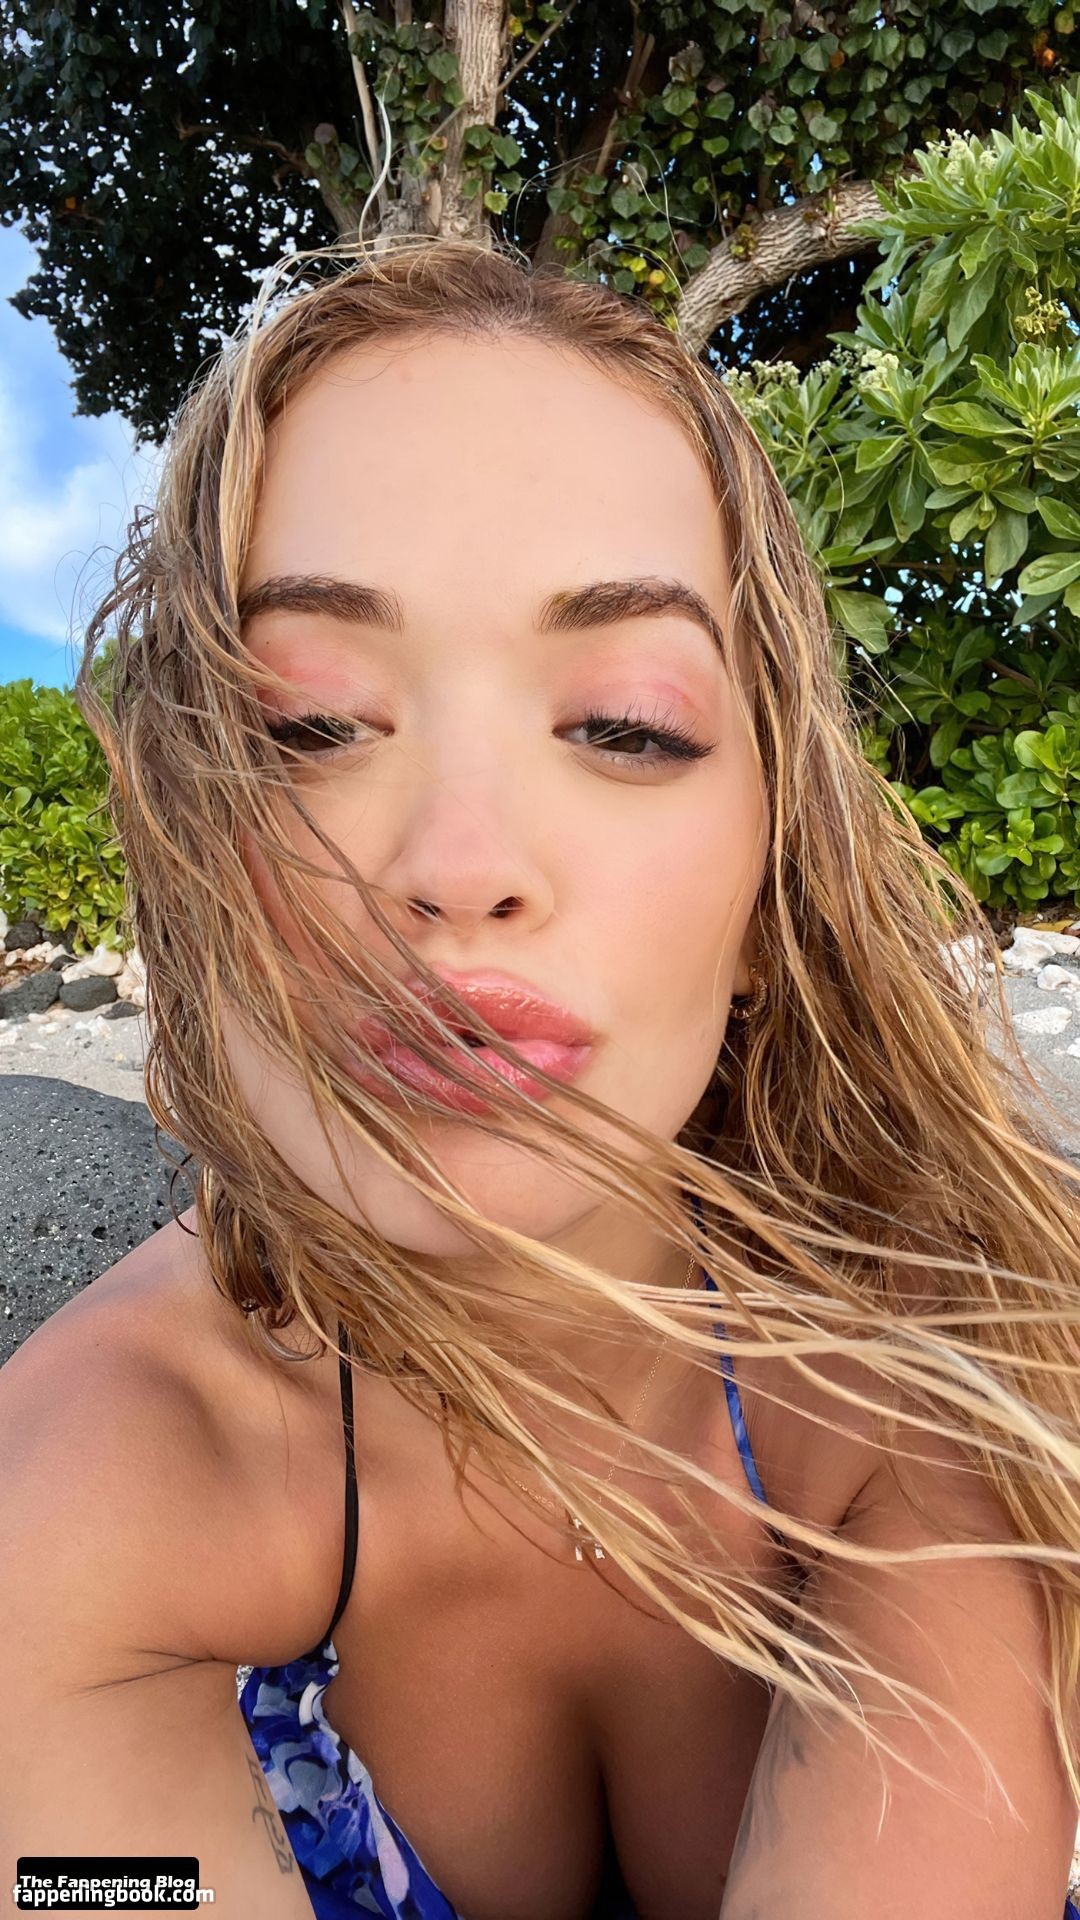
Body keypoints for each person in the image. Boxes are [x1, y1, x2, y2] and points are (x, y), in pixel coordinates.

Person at [2, 233, 1079, 1920]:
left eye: (627, 725)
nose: (460, 864)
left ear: (770, 885)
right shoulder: (74, 1498)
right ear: (186, 844)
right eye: (308, 725)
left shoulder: (967, 1363)